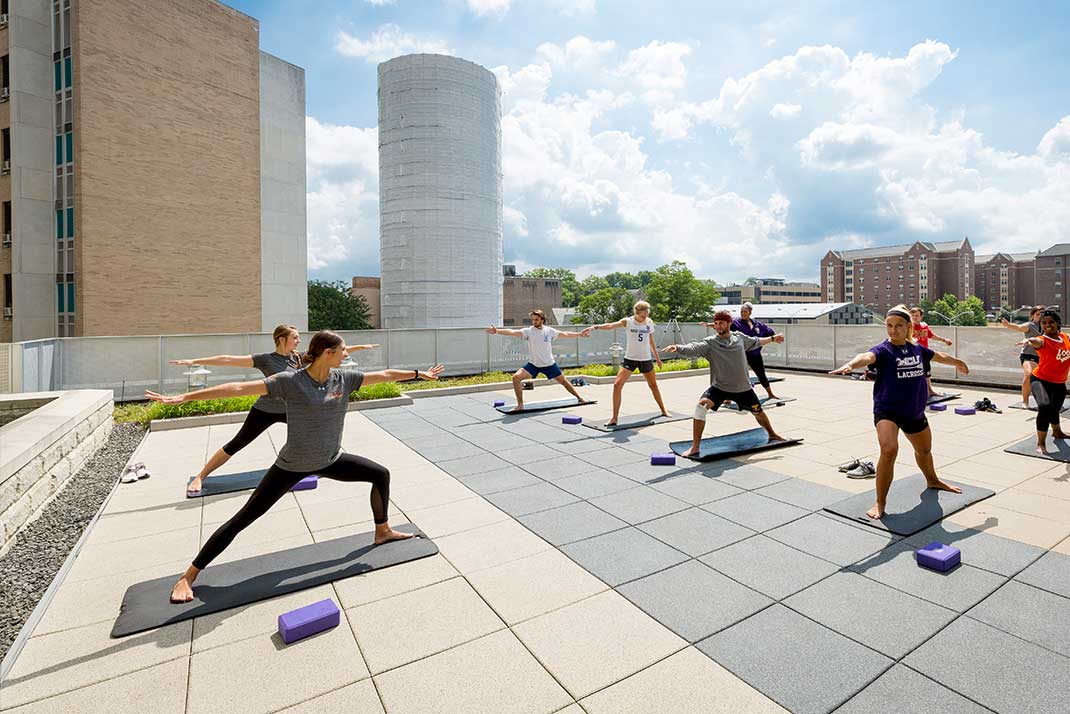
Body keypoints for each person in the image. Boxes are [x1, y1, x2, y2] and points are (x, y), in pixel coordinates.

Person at [147, 330, 442, 603]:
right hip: (292, 466)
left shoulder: (343, 378)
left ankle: (383, 531)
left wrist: (418, 374)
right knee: (245, 517)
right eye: (341, 351)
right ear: (327, 353)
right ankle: (189, 575)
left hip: (330, 459)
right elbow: (238, 387)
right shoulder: (291, 381)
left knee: (380, 474)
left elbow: (385, 374)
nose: (345, 355)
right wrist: (186, 396)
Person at [169, 325, 379, 496]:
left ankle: (327, 463)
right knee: (237, 443)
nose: (298, 341)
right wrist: (194, 361)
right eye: (294, 337)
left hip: (293, 410)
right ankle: (201, 475)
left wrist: (361, 346)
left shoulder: (300, 358)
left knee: (320, 433)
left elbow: (334, 352)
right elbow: (227, 359)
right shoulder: (266, 359)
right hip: (266, 409)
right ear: (281, 339)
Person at [830, 305, 969, 519]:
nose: (893, 330)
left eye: (898, 326)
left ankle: (932, 480)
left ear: (908, 327)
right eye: (889, 326)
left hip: (913, 410)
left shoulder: (917, 349)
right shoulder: (883, 350)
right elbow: (866, 356)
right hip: (888, 410)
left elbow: (937, 355)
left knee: (924, 451)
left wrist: (957, 361)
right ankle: (880, 502)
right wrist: (850, 365)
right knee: (889, 451)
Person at [663, 310, 787, 457]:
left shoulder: (739, 338)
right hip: (720, 387)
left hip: (743, 388)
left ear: (729, 323)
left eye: (721, 323)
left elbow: (756, 341)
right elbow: (694, 348)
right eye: (715, 323)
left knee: (758, 412)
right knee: (700, 407)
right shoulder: (710, 343)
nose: (718, 326)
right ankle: (695, 447)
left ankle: (772, 434)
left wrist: (773, 338)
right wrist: (678, 348)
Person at [485, 310, 593, 412]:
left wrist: (579, 334)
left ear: (542, 319)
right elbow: (513, 332)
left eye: (536, 319)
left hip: (549, 364)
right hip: (534, 365)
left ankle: (580, 398)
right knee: (516, 378)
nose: (534, 322)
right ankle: (520, 405)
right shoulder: (529, 331)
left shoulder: (549, 331)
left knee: (564, 382)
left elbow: (565, 334)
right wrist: (497, 331)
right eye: (532, 319)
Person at [590, 301, 670, 426]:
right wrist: (596, 327)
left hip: (645, 359)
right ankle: (614, 418)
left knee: (653, 385)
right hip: (630, 359)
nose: (645, 318)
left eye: (647, 315)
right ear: (636, 313)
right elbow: (611, 325)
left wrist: (657, 358)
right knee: (617, 385)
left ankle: (664, 410)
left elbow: (651, 341)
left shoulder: (649, 322)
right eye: (643, 316)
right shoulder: (628, 321)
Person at [1016, 310, 1070, 455]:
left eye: (1051, 322)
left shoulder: (1065, 337)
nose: (1048, 325)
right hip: (1040, 380)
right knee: (1045, 407)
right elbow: (1036, 341)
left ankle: (1057, 432)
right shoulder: (1042, 340)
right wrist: (1028, 340)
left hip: (1059, 382)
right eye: (1044, 323)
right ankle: (1040, 443)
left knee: (1055, 409)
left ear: (1058, 323)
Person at [711, 302, 781, 400]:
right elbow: (723, 325)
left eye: (745, 311)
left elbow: (769, 332)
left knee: (761, 375)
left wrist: (776, 338)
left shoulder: (758, 324)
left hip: (755, 354)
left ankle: (770, 394)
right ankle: (727, 399)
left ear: (750, 312)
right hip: (740, 355)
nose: (742, 313)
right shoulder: (736, 323)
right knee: (734, 376)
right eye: (741, 311)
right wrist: (711, 325)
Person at [1002, 306, 1045, 408]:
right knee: (1029, 374)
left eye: (1042, 314)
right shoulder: (1030, 325)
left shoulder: (1046, 326)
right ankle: (1025, 402)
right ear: (1032, 316)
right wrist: (1008, 325)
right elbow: (1019, 327)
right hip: (1028, 355)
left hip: (1041, 357)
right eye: (1038, 314)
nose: (1040, 316)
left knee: (1040, 379)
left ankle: (1043, 400)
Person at [908, 307, 953, 399]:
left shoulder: (924, 326)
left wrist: (944, 340)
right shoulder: (908, 327)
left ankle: (930, 391)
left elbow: (931, 335)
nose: (914, 317)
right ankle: (915, 393)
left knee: (927, 373)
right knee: (914, 374)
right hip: (913, 354)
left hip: (925, 354)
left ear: (921, 317)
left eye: (916, 315)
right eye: (912, 315)